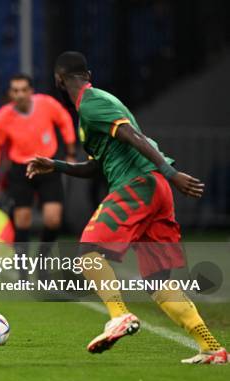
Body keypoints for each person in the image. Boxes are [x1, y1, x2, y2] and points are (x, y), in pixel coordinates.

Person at [26, 51, 227, 364]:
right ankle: (212, 347)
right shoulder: (94, 108)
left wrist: (171, 172)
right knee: (159, 282)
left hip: (139, 185)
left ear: (58, 80)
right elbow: (95, 167)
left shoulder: (93, 104)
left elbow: (132, 136)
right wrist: (56, 165)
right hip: (155, 189)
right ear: (88, 73)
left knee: (88, 251)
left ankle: (119, 315)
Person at [0, 74, 76, 279]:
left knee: (53, 220)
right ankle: (23, 270)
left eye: (23, 90)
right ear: (11, 94)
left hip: (48, 165)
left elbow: (64, 121)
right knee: (22, 221)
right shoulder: (3, 116)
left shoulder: (47, 105)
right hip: (21, 169)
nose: (19, 95)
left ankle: (42, 261)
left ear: (31, 91)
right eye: (15, 91)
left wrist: (71, 152)